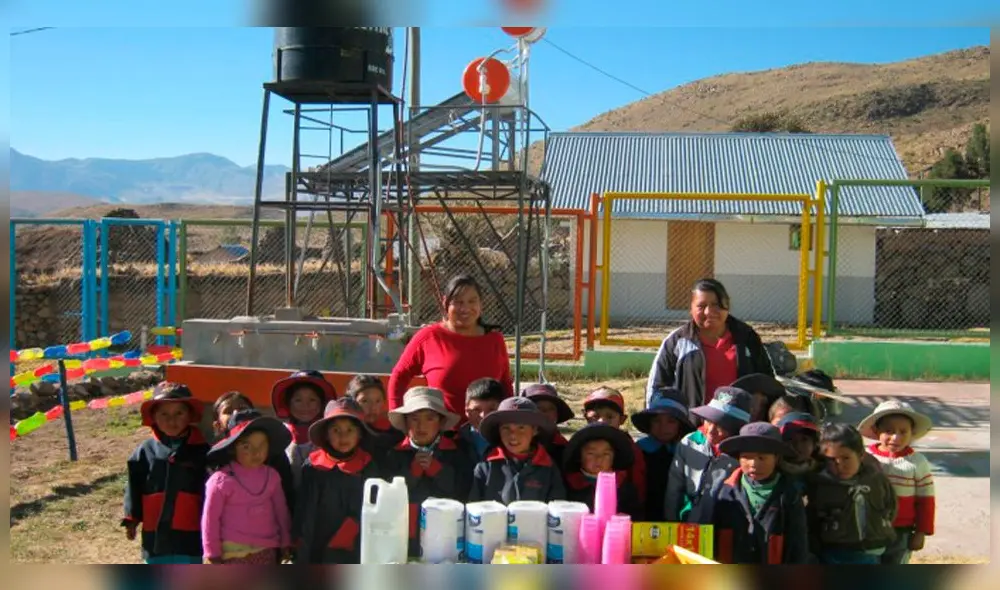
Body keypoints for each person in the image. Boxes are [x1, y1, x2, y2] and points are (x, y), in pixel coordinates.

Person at [388, 274, 514, 423]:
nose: (465, 308)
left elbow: (505, 384)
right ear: (445, 303)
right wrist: (397, 418)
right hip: (444, 436)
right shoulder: (429, 337)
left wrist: (508, 421)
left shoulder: (495, 340)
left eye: (472, 301)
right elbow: (399, 375)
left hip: (487, 433)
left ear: (481, 304)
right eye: (458, 302)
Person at [645, 278, 774, 411]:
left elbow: (768, 383)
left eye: (716, 305)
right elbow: (656, 388)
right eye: (701, 306)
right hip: (691, 426)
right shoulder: (677, 341)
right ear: (691, 308)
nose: (709, 312)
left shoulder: (747, 337)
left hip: (739, 425)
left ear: (727, 305)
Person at [381, 387, 474, 558]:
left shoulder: (457, 452)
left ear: (440, 422)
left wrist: (437, 469)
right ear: (405, 422)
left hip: (447, 535)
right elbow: (388, 499)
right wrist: (412, 472)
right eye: (414, 419)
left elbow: (463, 490)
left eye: (429, 418)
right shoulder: (393, 454)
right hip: (404, 536)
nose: (421, 426)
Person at [122, 382, 209, 564]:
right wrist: (132, 518)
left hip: (190, 528)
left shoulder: (203, 451)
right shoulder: (145, 451)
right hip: (155, 531)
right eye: (164, 414)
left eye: (179, 413)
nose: (172, 420)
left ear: (190, 415)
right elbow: (134, 485)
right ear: (153, 417)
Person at [294, 398, 380, 564]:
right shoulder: (313, 467)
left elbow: (374, 508)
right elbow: (305, 514)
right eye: (336, 430)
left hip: (356, 547)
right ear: (326, 434)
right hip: (318, 546)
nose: (343, 436)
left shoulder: (368, 466)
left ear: (360, 433)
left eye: (350, 430)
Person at [201, 410, 293, 564]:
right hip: (231, 552)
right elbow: (210, 519)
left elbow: (281, 511)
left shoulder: (272, 476)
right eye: (246, 446)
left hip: (266, 549)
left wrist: (285, 540)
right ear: (232, 448)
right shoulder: (220, 481)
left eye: (262, 445)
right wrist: (211, 552)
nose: (256, 452)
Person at [712, 422, 810, 564]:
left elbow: (798, 543)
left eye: (762, 458)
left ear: (776, 458)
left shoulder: (789, 495)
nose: (753, 464)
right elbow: (714, 534)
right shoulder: (727, 491)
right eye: (746, 457)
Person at [807, 423, 897, 564]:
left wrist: (880, 528)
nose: (839, 464)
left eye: (846, 458)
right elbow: (813, 519)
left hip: (872, 549)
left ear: (861, 455)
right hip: (834, 552)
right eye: (831, 460)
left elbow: (890, 506)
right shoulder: (821, 485)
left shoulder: (876, 480)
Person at [859, 400, 936, 565]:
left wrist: (921, 532)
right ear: (876, 430)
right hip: (869, 527)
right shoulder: (865, 457)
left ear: (912, 433)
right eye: (889, 431)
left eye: (903, 432)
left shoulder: (917, 462)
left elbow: (926, 500)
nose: (896, 437)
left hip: (902, 530)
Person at [664, 387, 751, 523]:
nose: (711, 430)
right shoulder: (690, 443)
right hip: (689, 525)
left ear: (736, 429)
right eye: (708, 421)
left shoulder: (744, 456)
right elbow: (674, 489)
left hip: (725, 527)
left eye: (721, 426)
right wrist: (672, 521)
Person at [469, 397, 566, 504]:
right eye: (506, 428)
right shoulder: (486, 467)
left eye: (521, 428)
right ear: (499, 431)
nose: (513, 435)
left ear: (534, 430)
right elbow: (474, 509)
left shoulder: (549, 469)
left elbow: (557, 510)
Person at [211, 394, 296, 514]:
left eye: (242, 408)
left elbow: (285, 497)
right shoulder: (214, 460)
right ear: (217, 426)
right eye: (228, 411)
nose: (236, 413)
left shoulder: (275, 455)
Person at [630, 388, 694, 522]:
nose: (663, 427)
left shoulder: (688, 452)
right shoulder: (637, 451)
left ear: (680, 425)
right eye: (656, 420)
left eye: (671, 421)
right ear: (649, 422)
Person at [270, 370, 338, 489]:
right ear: (288, 403)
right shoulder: (278, 433)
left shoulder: (330, 434)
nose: (305, 406)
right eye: (298, 400)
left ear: (322, 404)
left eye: (312, 400)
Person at [562, 422, 643, 520]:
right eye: (591, 453)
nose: (599, 459)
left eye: (606, 454)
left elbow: (634, 517)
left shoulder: (623, 486)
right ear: (579, 456)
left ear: (614, 457)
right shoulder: (568, 484)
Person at [582, 387, 647, 506]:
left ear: (622, 420)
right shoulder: (578, 445)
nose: (602, 421)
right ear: (586, 417)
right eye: (595, 417)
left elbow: (638, 486)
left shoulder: (631, 449)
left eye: (610, 417)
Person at [346, 374, 401, 459]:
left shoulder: (395, 434)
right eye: (365, 401)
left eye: (377, 401)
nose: (372, 407)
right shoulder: (345, 434)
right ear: (351, 402)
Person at [521, 382, 575, 466]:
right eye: (539, 408)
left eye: (551, 408)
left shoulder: (563, 447)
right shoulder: (514, 443)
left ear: (557, 414)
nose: (546, 413)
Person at [457, 377, 507, 462]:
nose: (483, 416)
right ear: (467, 410)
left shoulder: (509, 439)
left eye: (491, 409)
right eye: (476, 409)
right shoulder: (455, 441)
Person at [775, 412, 822, 495]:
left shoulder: (823, 473)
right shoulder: (769, 471)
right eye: (790, 439)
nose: (797, 445)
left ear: (815, 444)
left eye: (804, 439)